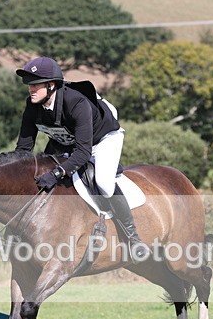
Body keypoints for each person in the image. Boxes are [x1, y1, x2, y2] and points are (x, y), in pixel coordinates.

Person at [14, 56, 148, 259]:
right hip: (67, 141)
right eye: (28, 85)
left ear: (51, 85)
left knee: (103, 182)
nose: (31, 89)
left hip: (102, 140)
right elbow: (23, 149)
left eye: (36, 84)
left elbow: (84, 153)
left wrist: (58, 172)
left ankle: (134, 239)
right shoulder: (32, 106)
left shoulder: (76, 102)